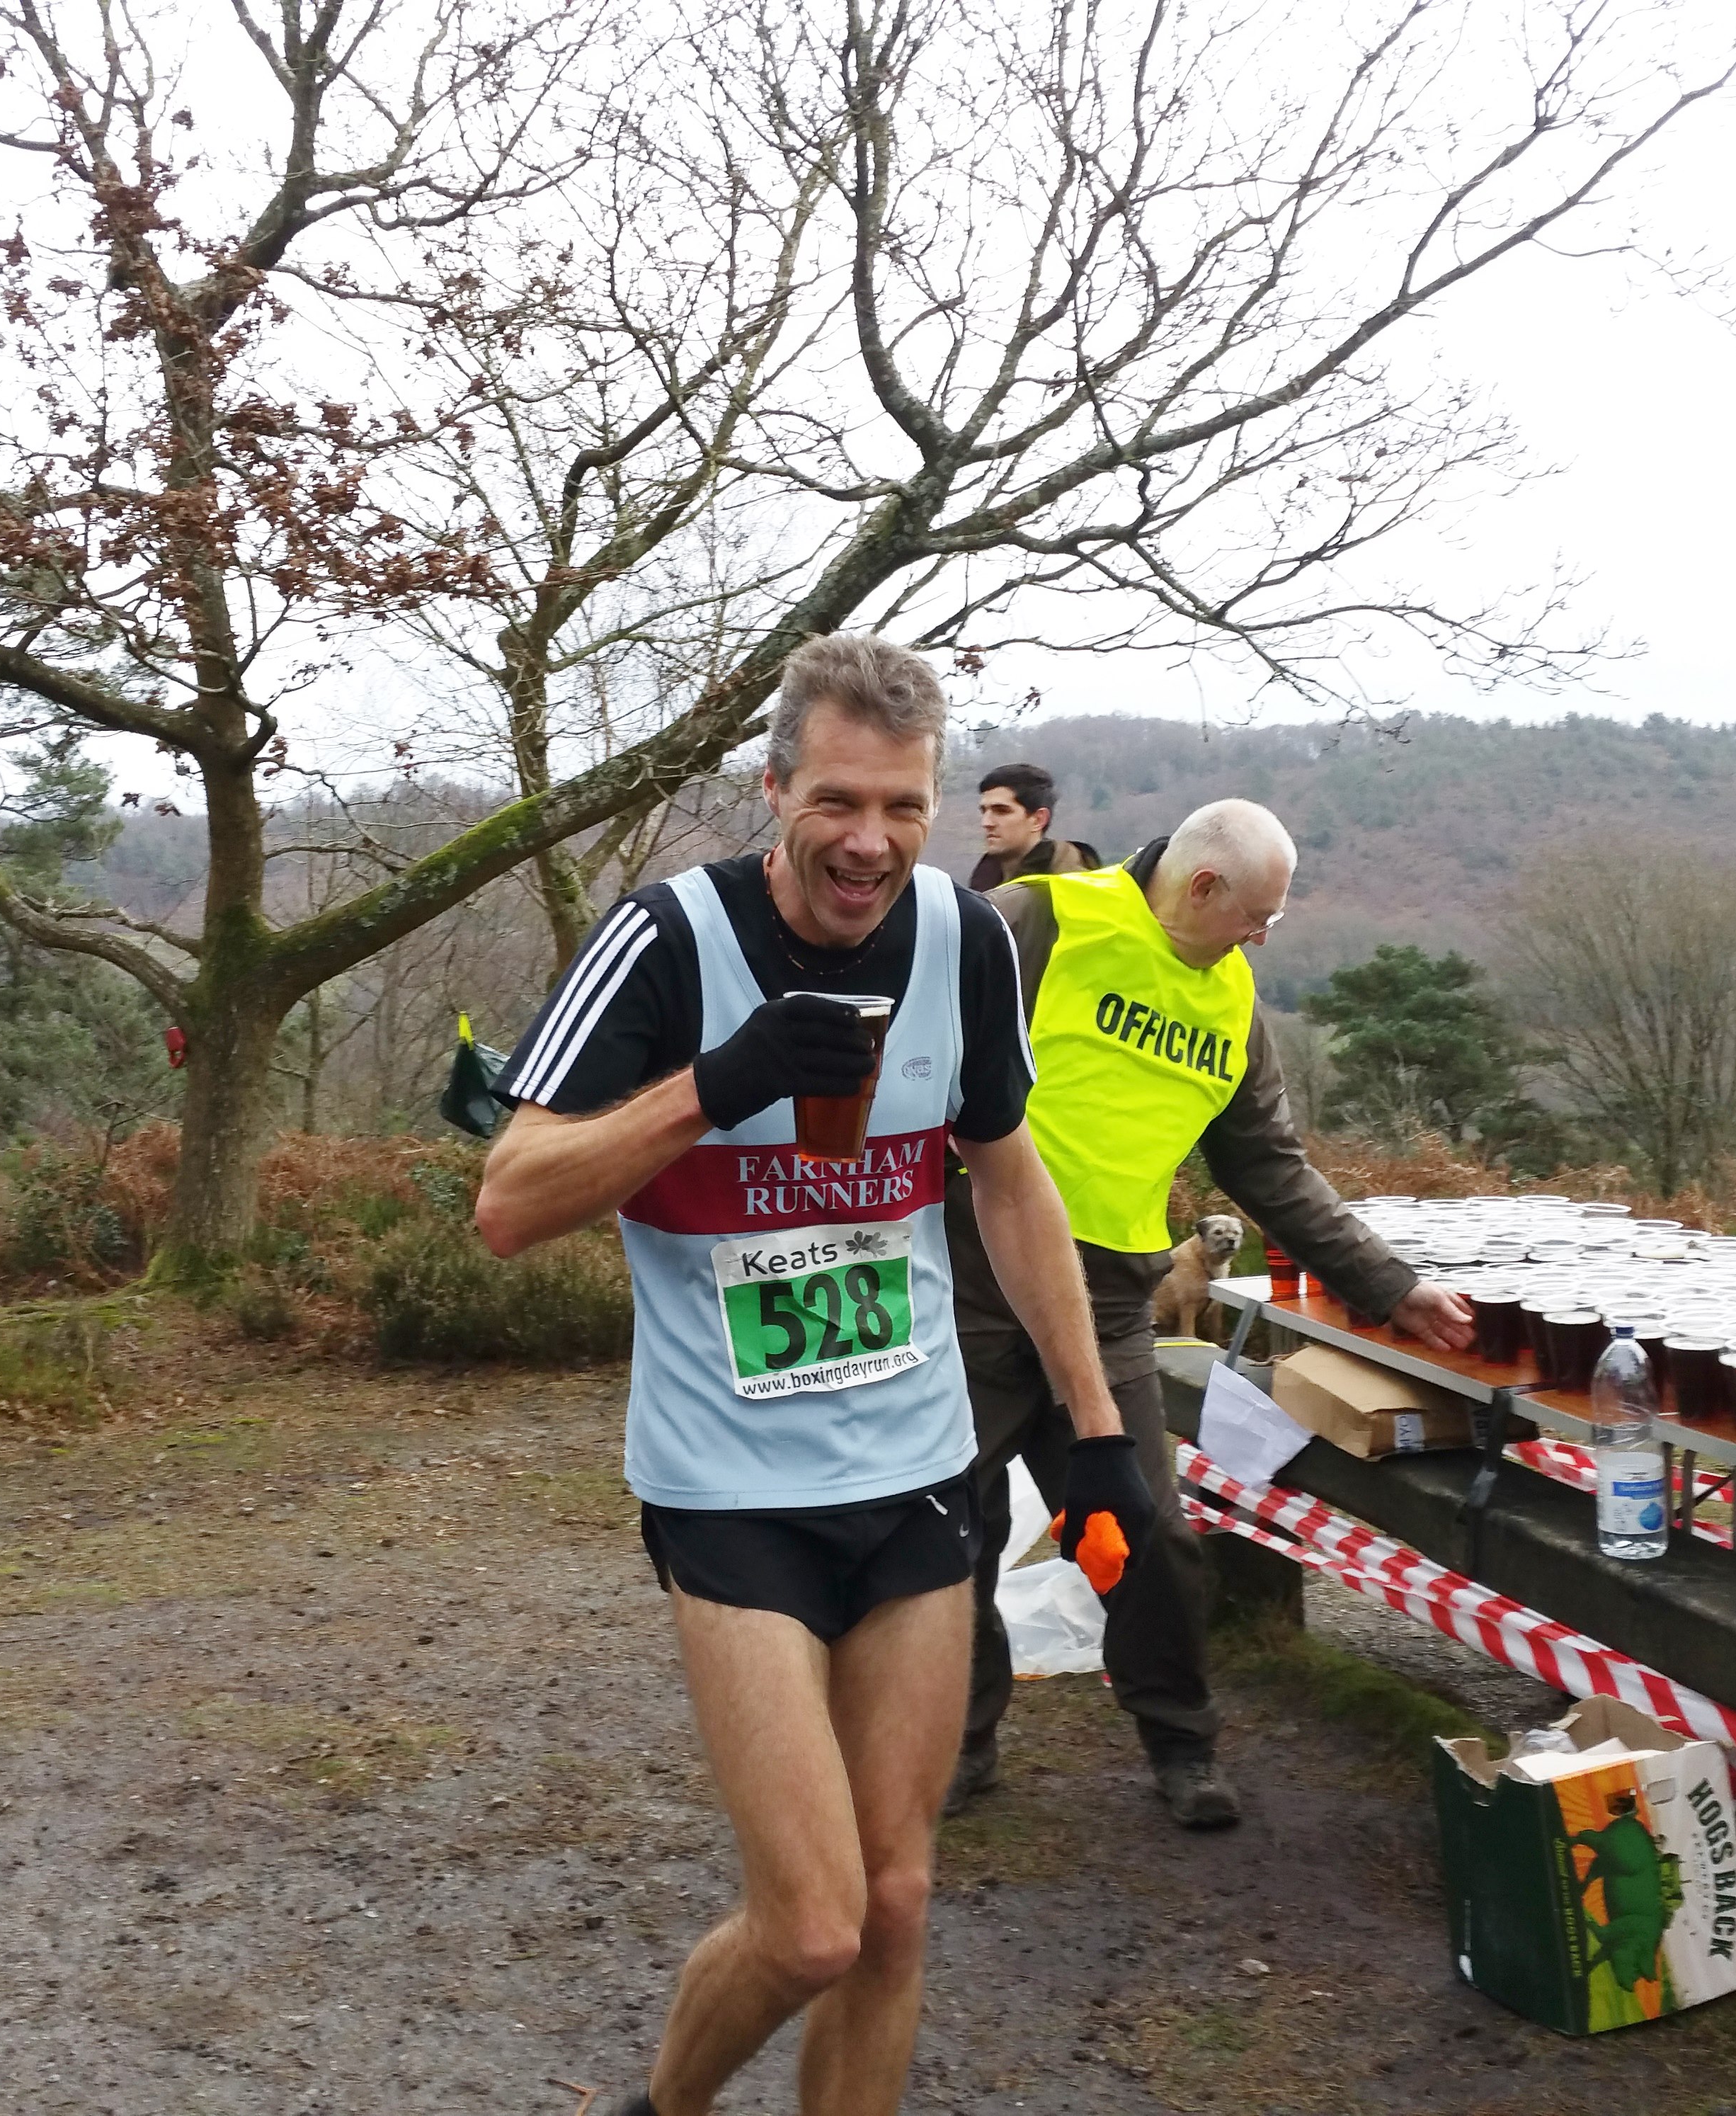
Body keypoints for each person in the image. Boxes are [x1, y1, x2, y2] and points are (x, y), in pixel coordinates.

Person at [474, 632, 1153, 2116]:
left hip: (916, 1466)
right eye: (837, 802)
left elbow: (1008, 1174)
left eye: (905, 808)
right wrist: (723, 1081)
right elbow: (512, 1201)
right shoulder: (665, 944)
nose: (870, 843)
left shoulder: (964, 941)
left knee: (899, 1905)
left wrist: (1094, 1431)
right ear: (773, 787)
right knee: (812, 1926)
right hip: (731, 1493)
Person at [944, 798, 1475, 1828]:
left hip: (1106, 1308)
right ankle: (960, 1743)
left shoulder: (1232, 1005)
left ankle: (1180, 1741)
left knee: (1140, 1532)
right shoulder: (1034, 924)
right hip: (967, 1284)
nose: (1263, 938)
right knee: (945, 1533)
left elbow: (1269, 1168)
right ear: (1200, 888)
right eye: (1256, 916)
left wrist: (1391, 1285)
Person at [967, 761, 1102, 889]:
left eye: (1002, 811)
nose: (986, 823)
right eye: (984, 811)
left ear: (1038, 820)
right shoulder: (982, 883)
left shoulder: (1074, 889)